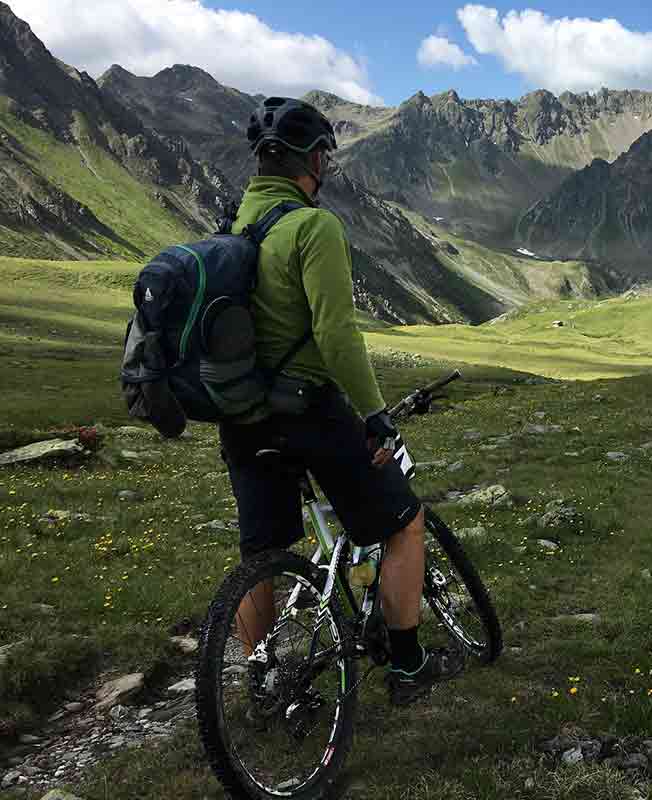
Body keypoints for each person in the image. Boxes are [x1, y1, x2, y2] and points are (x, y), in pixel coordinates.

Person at [220, 97, 461, 707]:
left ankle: (264, 678)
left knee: (265, 553)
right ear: (313, 159)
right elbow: (335, 334)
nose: (325, 164)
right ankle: (407, 667)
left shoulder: (231, 227)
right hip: (308, 410)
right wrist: (376, 416)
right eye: (324, 154)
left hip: (243, 415)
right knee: (404, 524)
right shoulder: (312, 226)